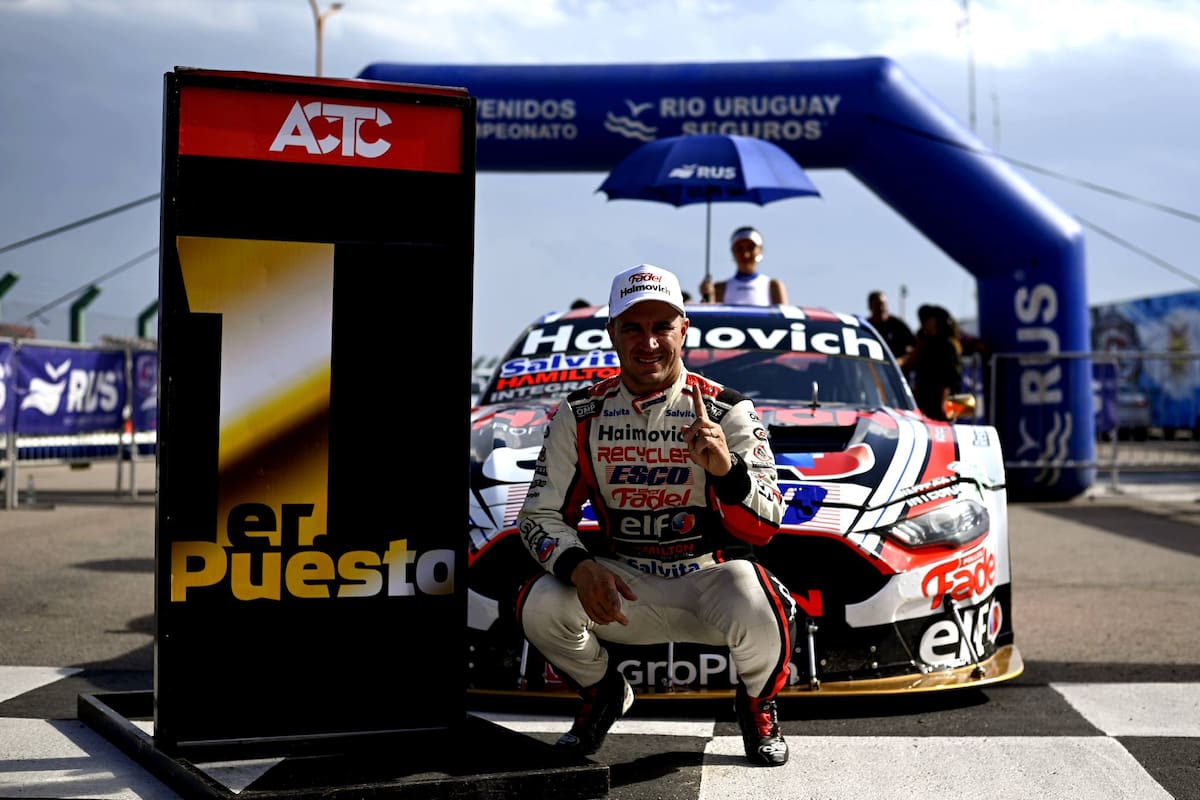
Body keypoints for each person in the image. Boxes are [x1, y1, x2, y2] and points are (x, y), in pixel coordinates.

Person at [516, 263, 795, 767]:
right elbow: (537, 516)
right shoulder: (580, 413)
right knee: (540, 601)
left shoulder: (730, 410)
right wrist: (581, 568)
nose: (648, 343)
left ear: (684, 331)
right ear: (612, 334)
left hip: (704, 583)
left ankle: (757, 704)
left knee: (758, 594)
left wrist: (726, 472)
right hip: (624, 590)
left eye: (662, 327)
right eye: (633, 327)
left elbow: (767, 526)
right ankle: (603, 694)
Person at [902, 303, 963, 421]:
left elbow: (950, 378)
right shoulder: (924, 342)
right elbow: (910, 365)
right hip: (923, 400)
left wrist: (944, 402)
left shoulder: (947, 345)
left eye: (929, 319)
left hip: (942, 402)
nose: (926, 323)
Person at [698, 226, 788, 305]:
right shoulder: (719, 288)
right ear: (733, 252)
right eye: (739, 249)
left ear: (760, 250)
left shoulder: (773, 286)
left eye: (751, 248)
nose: (745, 255)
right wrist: (708, 298)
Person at [866, 289, 917, 361]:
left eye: (883, 304)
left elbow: (915, 347)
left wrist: (901, 361)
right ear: (870, 306)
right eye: (877, 305)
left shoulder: (898, 325)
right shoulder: (866, 327)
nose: (881, 308)